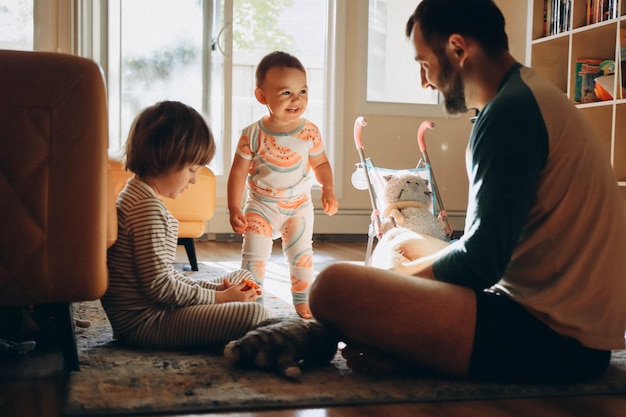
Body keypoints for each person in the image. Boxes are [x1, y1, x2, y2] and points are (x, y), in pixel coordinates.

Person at [309, 0, 626, 383]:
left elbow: (480, 263)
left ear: (458, 49)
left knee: (331, 289)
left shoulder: (510, 113)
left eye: (425, 65)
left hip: (556, 341)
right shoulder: (525, 96)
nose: (425, 82)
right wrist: (403, 278)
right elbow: (489, 252)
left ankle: (407, 349)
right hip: (556, 321)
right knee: (398, 239)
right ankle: (407, 346)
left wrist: (397, 283)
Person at [102, 101, 268, 349]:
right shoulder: (146, 210)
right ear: (165, 157)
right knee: (253, 315)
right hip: (146, 322)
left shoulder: (136, 195)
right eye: (192, 169)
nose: (193, 180)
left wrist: (216, 289)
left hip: (157, 308)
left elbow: (165, 277)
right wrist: (219, 298)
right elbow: (162, 288)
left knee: (241, 278)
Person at [228, 51, 338, 319]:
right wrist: (233, 207)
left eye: (302, 91)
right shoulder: (252, 134)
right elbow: (238, 172)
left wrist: (328, 189)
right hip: (261, 205)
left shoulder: (309, 131)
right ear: (262, 96)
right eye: (286, 93)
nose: (297, 99)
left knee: (302, 256)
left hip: (298, 206)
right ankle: (253, 302)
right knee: (254, 257)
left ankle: (302, 301)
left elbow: (321, 164)